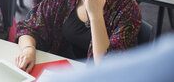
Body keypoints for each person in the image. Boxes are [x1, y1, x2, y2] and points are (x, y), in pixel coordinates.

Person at [39, 33, 174, 82]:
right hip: (63, 69)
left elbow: (104, 63)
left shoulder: (126, 8)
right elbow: (31, 25)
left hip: (83, 73)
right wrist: (28, 49)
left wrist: (96, 15)